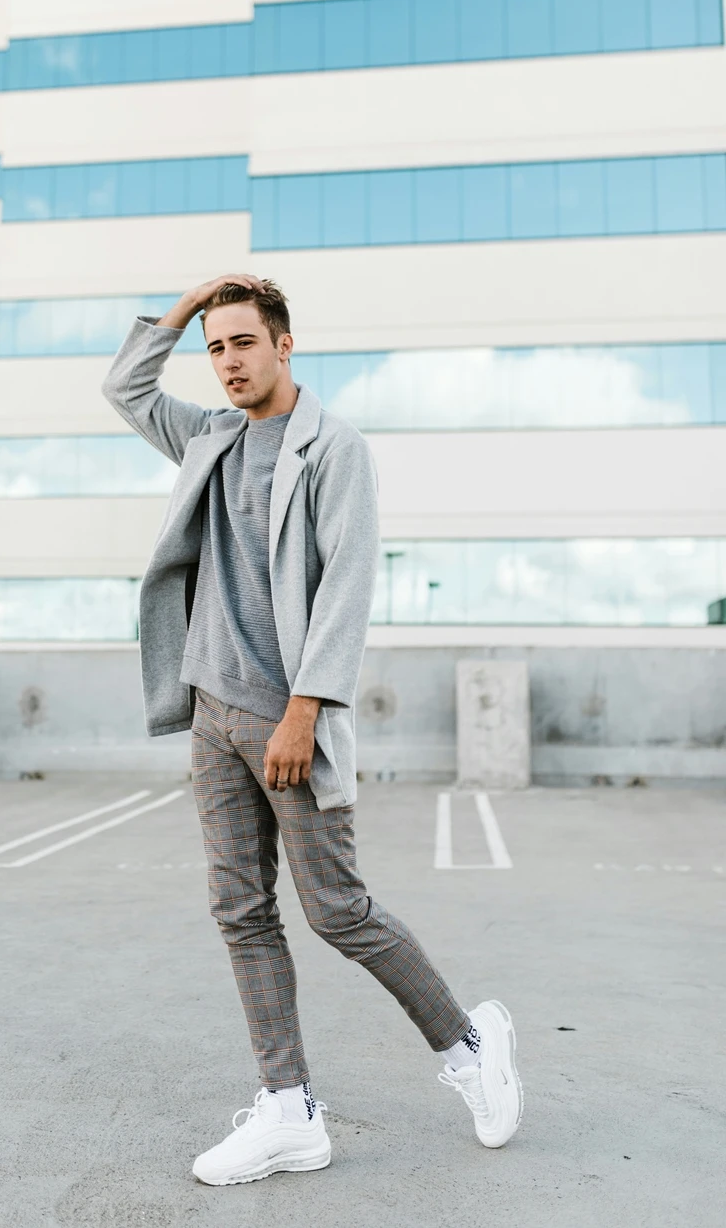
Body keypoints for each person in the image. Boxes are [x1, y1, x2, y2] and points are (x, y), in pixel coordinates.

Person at [102, 274, 522, 1186]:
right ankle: (288, 1107)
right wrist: (186, 308)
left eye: (243, 342)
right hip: (212, 715)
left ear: (284, 345)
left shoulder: (335, 449)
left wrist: (305, 711)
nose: (228, 362)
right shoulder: (209, 437)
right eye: (215, 348)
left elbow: (348, 585)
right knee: (241, 911)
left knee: (337, 911)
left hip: (287, 718)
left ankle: (468, 1046)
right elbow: (125, 389)